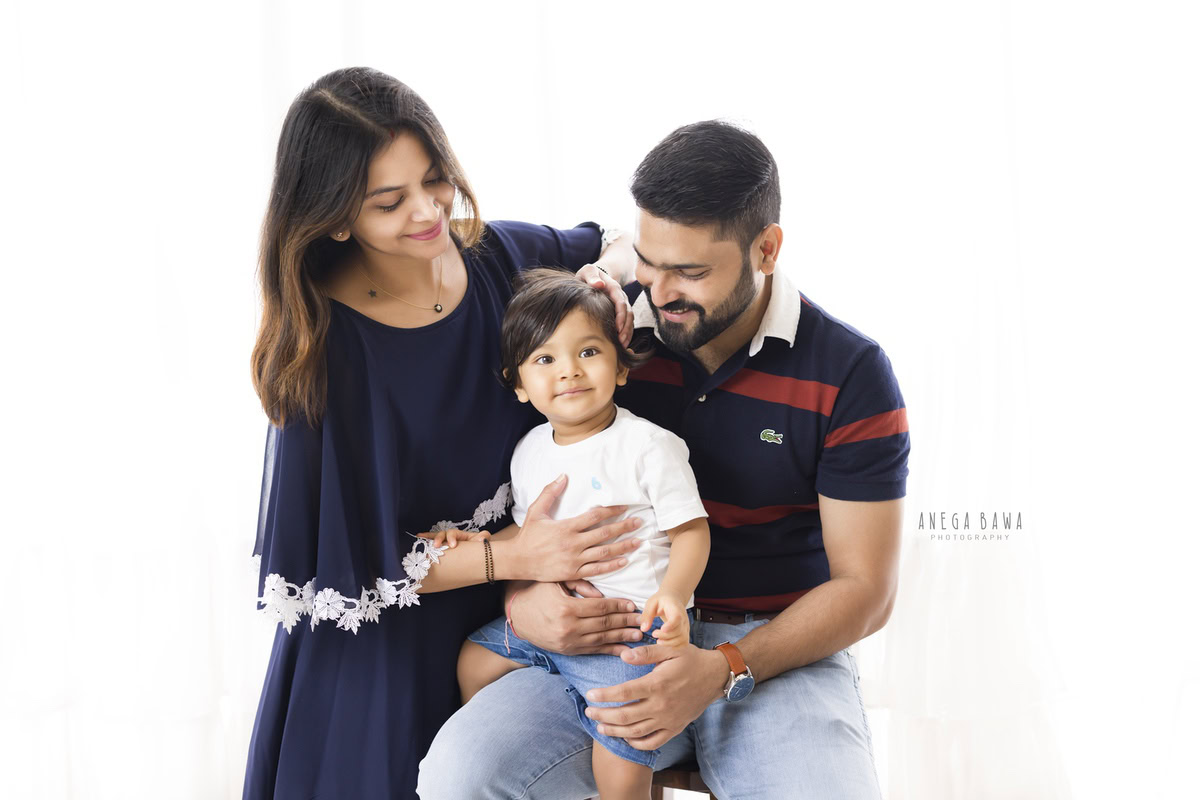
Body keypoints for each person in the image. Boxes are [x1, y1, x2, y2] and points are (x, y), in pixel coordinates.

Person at [418, 121, 908, 800]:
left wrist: (722, 666)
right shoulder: (604, 345)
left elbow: (866, 589)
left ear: (766, 249)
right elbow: (535, 508)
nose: (661, 289)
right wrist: (527, 600)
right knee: (459, 776)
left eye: (691, 271)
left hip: (775, 652)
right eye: (650, 261)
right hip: (605, 640)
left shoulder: (849, 372)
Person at [243, 67, 647, 800]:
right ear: (336, 217)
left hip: (506, 636)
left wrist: (602, 277)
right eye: (390, 201)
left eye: (436, 180)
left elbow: (622, 239)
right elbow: (338, 567)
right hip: (384, 663)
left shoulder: (499, 261)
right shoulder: (320, 350)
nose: (429, 211)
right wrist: (514, 552)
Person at [428, 268, 710, 798]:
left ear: (621, 369)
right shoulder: (530, 449)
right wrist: (476, 545)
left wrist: (672, 597)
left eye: (588, 352)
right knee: (473, 660)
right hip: (548, 625)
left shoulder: (649, 446)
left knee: (621, 762)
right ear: (518, 384)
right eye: (545, 359)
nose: (569, 372)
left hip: (628, 631)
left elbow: (693, 532)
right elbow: (527, 534)